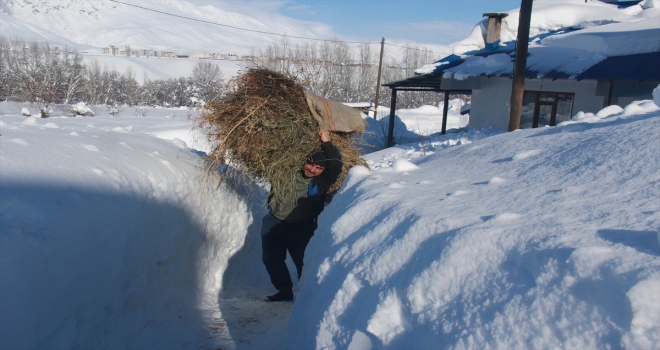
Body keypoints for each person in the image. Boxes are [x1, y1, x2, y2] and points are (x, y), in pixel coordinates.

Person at [261, 129, 342, 302]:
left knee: (303, 263)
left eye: (319, 168)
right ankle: (284, 291)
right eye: (311, 164)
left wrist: (326, 141)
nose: (312, 170)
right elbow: (270, 152)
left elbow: (335, 164)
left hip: (302, 227)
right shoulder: (286, 171)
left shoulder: (321, 182)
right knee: (271, 260)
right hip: (273, 221)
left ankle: (308, 298)